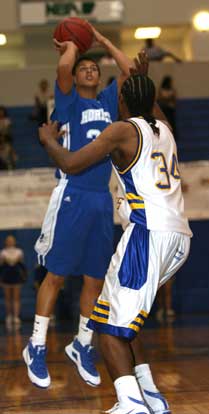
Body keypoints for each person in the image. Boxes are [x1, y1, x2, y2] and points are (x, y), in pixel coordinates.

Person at [37, 60, 192, 414]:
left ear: (123, 100)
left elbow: (73, 163)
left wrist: (48, 141)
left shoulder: (121, 130)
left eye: (119, 92)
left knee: (108, 327)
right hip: (179, 237)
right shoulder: (164, 128)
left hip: (148, 235)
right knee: (123, 320)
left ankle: (130, 403)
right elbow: (144, 96)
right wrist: (136, 75)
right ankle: (150, 395)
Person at [23, 26, 133, 389]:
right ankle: (36, 346)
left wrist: (104, 43)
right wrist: (71, 46)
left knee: (95, 279)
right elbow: (63, 70)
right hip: (71, 195)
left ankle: (81, 344)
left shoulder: (105, 103)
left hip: (101, 200)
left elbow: (131, 73)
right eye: (83, 68)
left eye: (94, 69)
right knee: (56, 275)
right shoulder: (70, 103)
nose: (89, 71)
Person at [0, 235, 26, 329]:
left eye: (12, 240)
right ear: (6, 242)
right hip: (6, 276)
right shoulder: (2, 252)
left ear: (14, 241)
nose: (10, 242)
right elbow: (1, 265)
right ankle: (9, 316)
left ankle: (16, 316)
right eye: (8, 240)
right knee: (7, 298)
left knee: (16, 297)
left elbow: (21, 264)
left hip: (16, 276)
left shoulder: (19, 251)